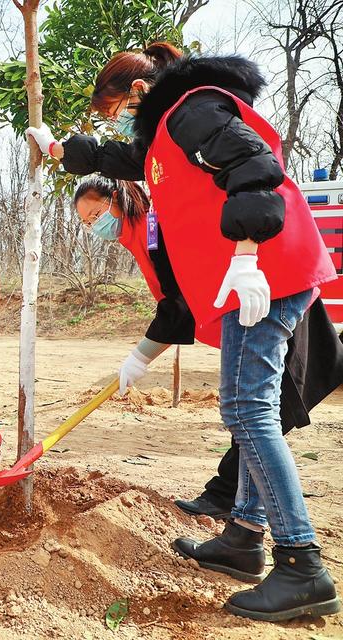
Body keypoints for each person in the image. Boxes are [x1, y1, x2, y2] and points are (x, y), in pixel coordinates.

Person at [28, 43, 340, 621]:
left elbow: (256, 167)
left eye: (115, 109)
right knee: (251, 410)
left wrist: (246, 254)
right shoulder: (163, 139)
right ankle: (243, 537)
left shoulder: (190, 110)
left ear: (141, 94)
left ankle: (301, 564)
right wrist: (61, 149)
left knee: (247, 411)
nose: (115, 123)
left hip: (265, 271)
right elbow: (123, 156)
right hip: (246, 280)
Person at [74, 175, 343, 516]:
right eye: (88, 223)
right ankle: (240, 512)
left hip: (271, 307)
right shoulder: (143, 234)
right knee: (253, 415)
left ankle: (279, 530)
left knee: (254, 416)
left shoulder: (155, 230)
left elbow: (177, 307)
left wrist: (139, 358)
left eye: (97, 214)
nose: (96, 226)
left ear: (116, 197)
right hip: (249, 315)